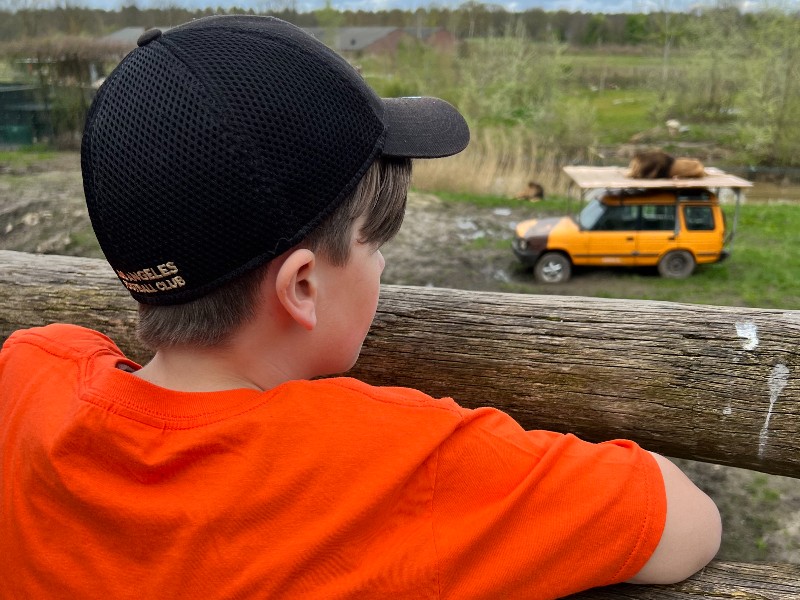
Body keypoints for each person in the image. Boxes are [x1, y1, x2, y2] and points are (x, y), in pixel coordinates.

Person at [0, 15, 720, 599]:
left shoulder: (28, 376)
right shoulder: (396, 463)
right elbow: (684, 520)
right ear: (303, 287)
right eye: (375, 245)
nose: (381, 266)